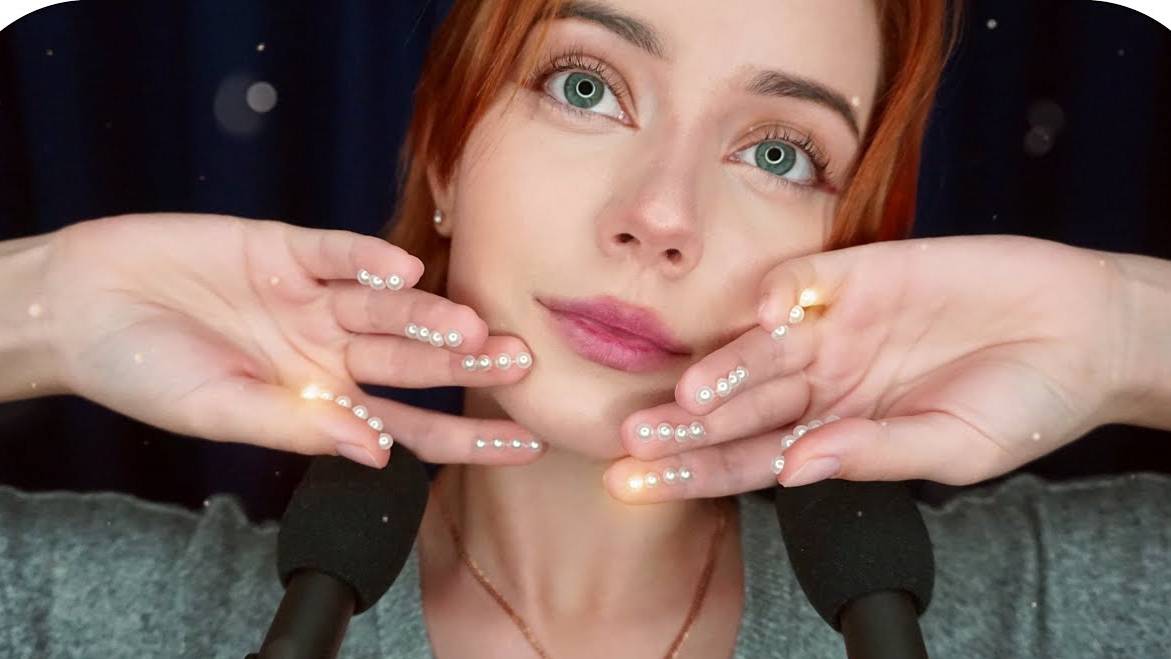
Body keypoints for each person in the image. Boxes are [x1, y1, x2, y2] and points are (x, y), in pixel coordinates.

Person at [1, 0, 1170, 657]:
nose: (660, 216)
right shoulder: (129, 616)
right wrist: (44, 303)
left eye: (777, 153)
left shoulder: (1026, 611)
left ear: (849, 242)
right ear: (446, 151)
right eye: (585, 87)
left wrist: (1124, 330)